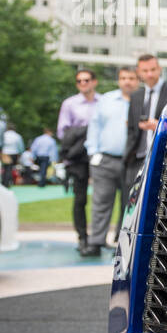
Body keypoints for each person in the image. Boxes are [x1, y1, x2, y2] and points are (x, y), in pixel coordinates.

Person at [79, 67, 139, 255]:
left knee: (129, 205)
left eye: (131, 78)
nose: (127, 81)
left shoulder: (141, 101)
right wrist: (93, 154)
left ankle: (122, 244)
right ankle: (96, 242)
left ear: (137, 80)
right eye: (123, 78)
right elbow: (95, 127)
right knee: (101, 202)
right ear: (118, 80)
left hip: (132, 161)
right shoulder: (106, 100)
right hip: (105, 160)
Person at [57, 68, 101, 253]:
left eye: (86, 80)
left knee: (102, 199)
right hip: (79, 156)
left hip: (99, 153)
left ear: (94, 82)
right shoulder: (70, 104)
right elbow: (62, 132)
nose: (83, 83)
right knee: (80, 198)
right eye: (79, 81)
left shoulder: (105, 102)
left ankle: (98, 238)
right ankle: (82, 237)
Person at [124, 53, 167, 191]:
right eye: (145, 71)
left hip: (163, 157)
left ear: (159, 69)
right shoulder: (136, 96)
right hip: (136, 159)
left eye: (153, 70)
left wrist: (159, 126)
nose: (149, 74)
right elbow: (132, 130)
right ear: (138, 72)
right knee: (128, 205)